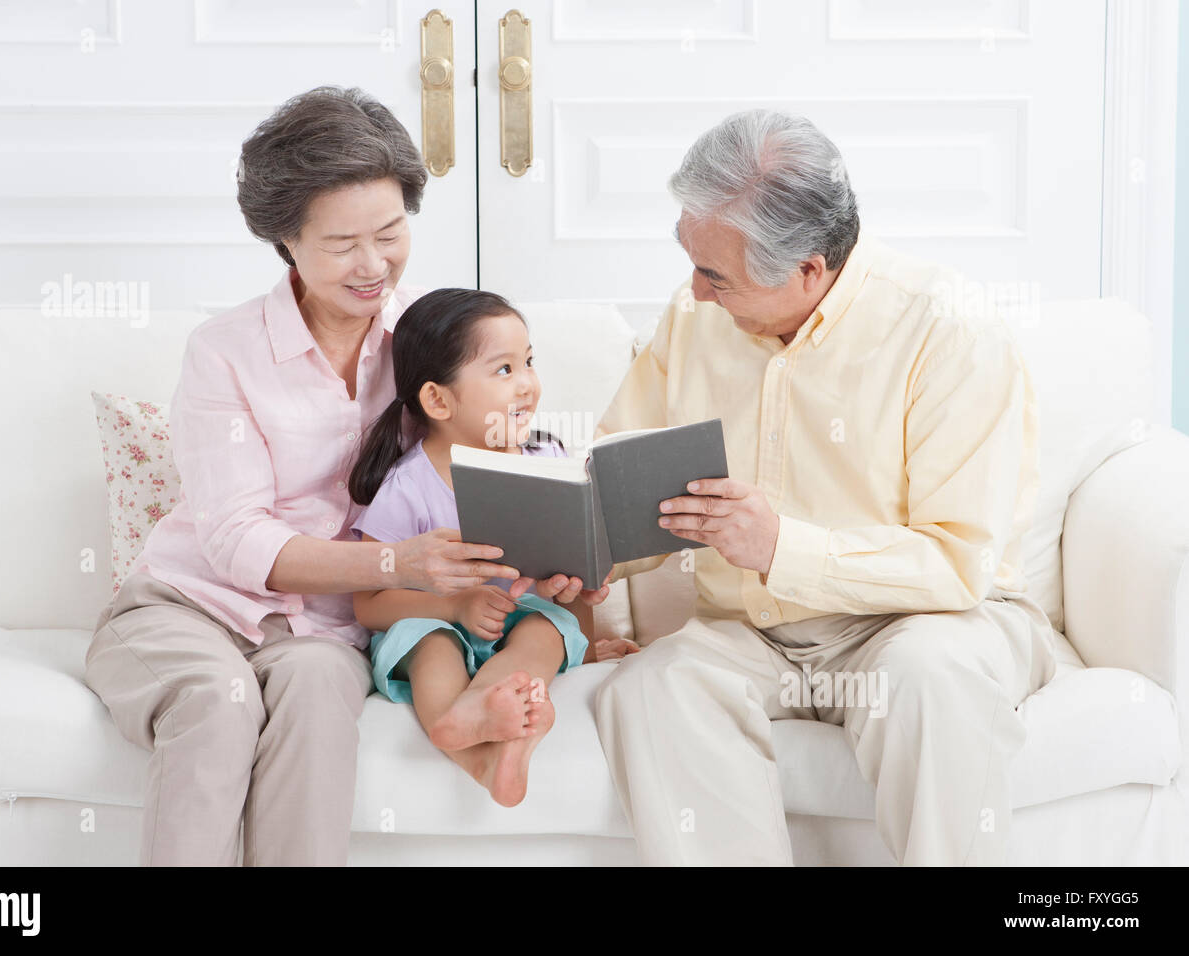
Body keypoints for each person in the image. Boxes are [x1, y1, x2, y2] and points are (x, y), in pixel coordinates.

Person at [84, 86, 606, 867]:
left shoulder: (430, 346)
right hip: (188, 607)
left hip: (322, 629)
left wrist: (553, 564)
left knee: (320, 703)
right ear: (286, 241)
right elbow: (234, 539)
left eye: (391, 233)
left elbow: (499, 454)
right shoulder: (224, 351)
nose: (373, 266)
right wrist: (403, 562)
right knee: (217, 707)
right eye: (341, 244)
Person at [593, 107, 1057, 866]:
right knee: (657, 686)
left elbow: (958, 563)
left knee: (927, 678)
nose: (696, 294)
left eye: (717, 275)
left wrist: (781, 546)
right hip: (755, 633)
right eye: (691, 261)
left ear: (809, 268)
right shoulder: (692, 317)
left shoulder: (948, 330)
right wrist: (586, 550)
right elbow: (626, 475)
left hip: (926, 621)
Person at [348, 288, 638, 807]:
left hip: (520, 619)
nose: (527, 382)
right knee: (429, 643)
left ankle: (496, 729)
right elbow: (368, 604)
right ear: (438, 400)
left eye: (528, 361)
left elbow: (569, 583)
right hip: (435, 622)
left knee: (545, 625)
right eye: (504, 369)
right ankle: (458, 727)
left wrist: (583, 622)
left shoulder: (550, 458)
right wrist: (455, 606)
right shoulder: (408, 485)